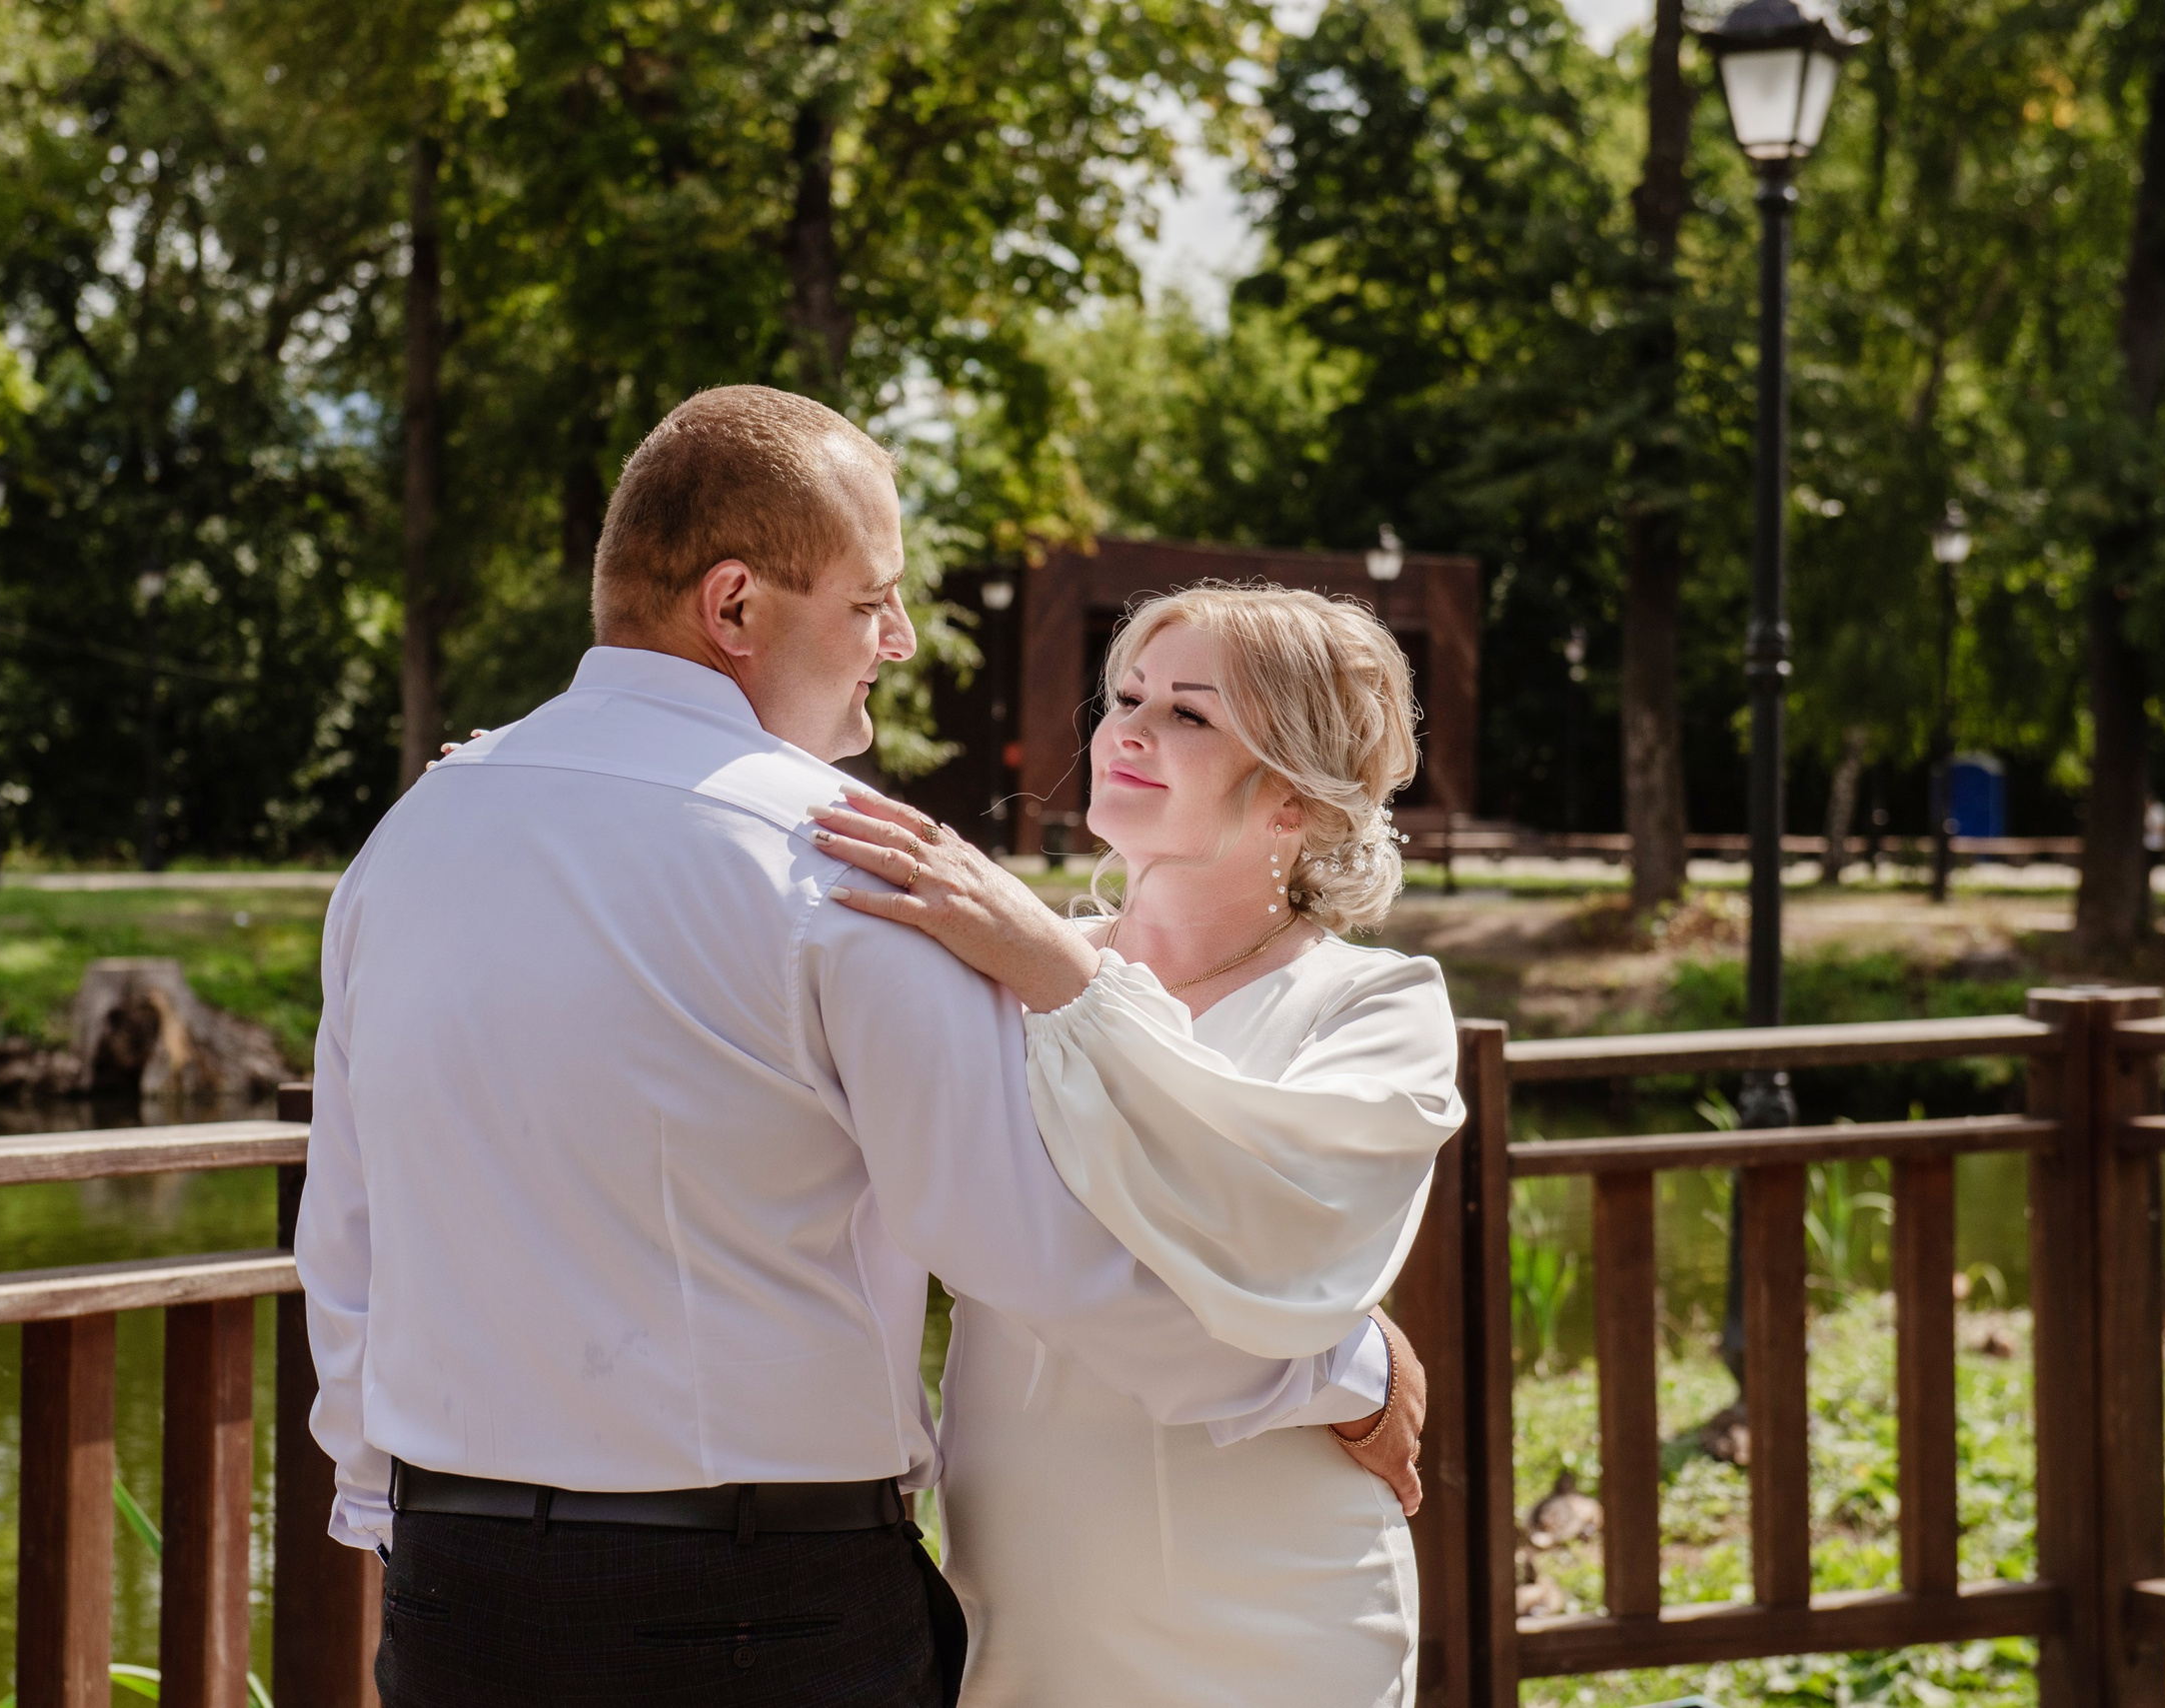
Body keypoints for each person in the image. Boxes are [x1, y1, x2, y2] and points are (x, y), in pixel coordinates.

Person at [296, 385, 1424, 1708]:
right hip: (752, 1604)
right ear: (735, 610)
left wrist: (385, 1511)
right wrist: (1342, 1374)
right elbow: (1032, 1249)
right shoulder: (845, 861)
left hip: (455, 1590)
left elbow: (350, 1232)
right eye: (870, 600)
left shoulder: (414, 836)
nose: (895, 639)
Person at [806, 583, 1462, 1707]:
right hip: (1018, 1602)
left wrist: (1062, 976)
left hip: (1279, 1613)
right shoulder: (991, 967)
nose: (1128, 729)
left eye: (1191, 713)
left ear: (1295, 798)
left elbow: (1278, 1225)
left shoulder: (1377, 1007)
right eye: (1126, 696)